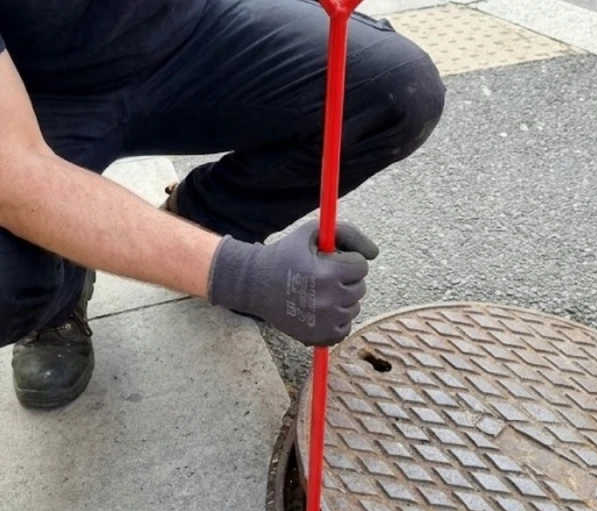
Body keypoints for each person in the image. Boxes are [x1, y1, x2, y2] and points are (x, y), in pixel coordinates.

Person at [0, 0, 445, 409]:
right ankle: (58, 302)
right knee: (8, 279)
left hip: (184, 28)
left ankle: (204, 220)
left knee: (395, 91)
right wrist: (244, 276)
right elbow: (15, 171)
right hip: (29, 92)